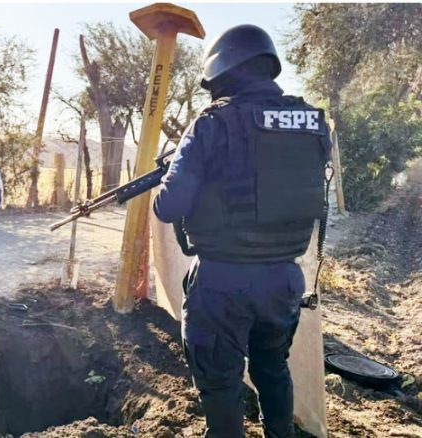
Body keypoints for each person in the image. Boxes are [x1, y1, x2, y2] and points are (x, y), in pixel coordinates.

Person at [153, 25, 331, 438]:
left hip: (223, 284)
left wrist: (169, 178)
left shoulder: (211, 123)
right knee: (273, 368)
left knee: (220, 382)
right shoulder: (311, 122)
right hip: (284, 281)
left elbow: (169, 206)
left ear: (221, 73)